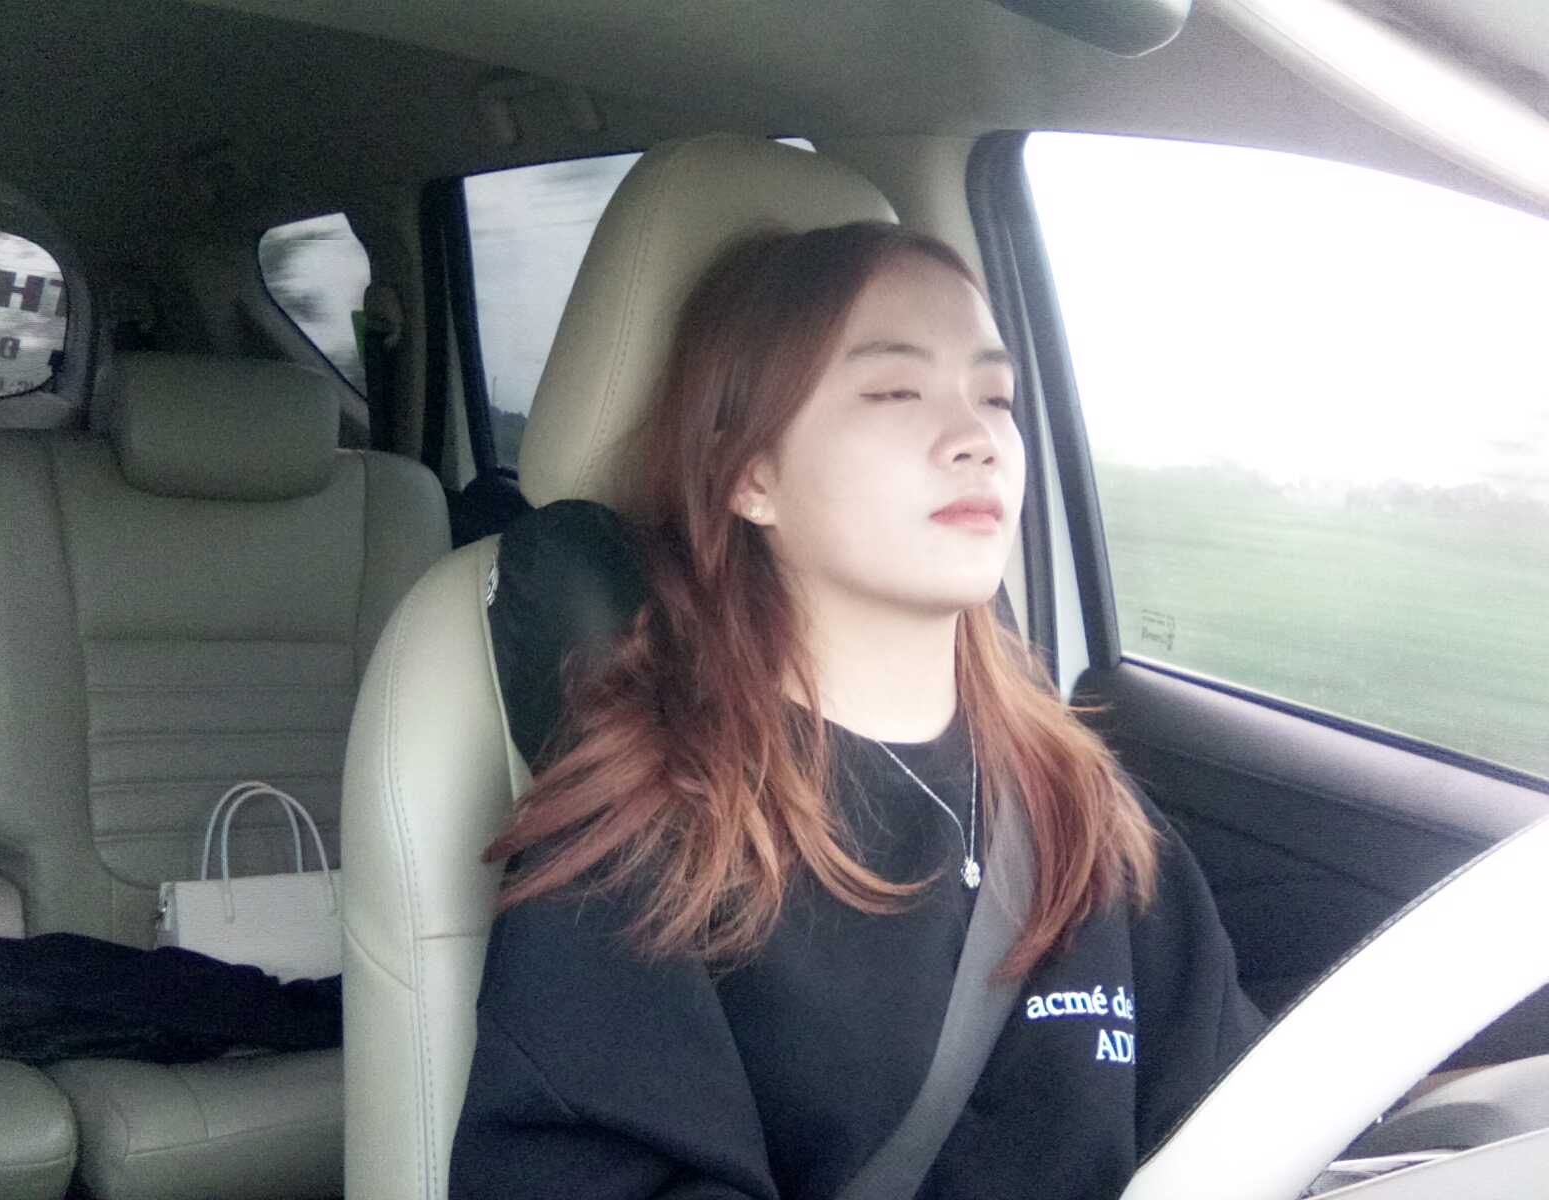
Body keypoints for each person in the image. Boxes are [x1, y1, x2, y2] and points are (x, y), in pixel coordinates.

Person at [450, 222, 1265, 1199]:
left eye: (996, 398)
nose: (975, 439)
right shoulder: (643, 843)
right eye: (894, 392)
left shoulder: (1083, 803)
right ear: (751, 476)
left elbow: (1248, 1128)